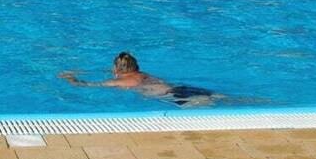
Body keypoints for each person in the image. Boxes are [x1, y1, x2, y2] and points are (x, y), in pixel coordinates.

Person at [59, 52, 219, 107]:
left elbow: (84, 85)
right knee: (222, 99)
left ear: (115, 70)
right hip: (183, 88)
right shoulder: (142, 74)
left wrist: (69, 78)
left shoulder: (118, 82)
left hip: (174, 97)